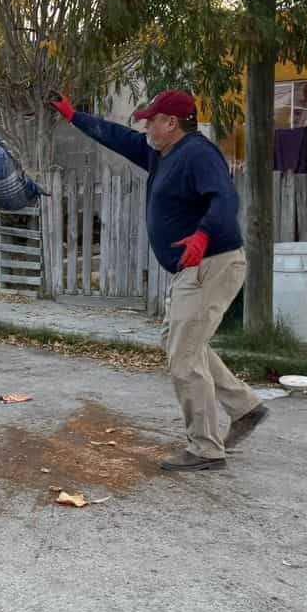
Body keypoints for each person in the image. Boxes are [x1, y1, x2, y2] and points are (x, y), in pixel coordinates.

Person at [52, 89, 266, 471]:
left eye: (153, 119)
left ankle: (205, 449)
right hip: (196, 267)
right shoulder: (162, 152)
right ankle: (244, 407)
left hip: (211, 264)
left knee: (183, 358)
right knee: (179, 342)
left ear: (172, 123)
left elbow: (225, 199)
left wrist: (203, 234)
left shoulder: (198, 153)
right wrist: (75, 116)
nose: (146, 125)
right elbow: (119, 138)